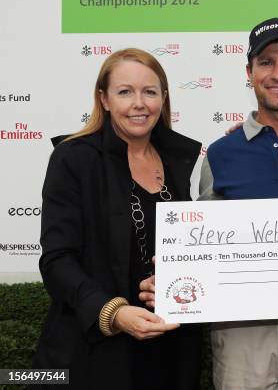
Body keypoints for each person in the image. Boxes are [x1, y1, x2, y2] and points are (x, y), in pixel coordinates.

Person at [141, 18, 278, 390]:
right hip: (241, 332)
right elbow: (201, 244)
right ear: (249, 72)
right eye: (266, 62)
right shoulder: (221, 154)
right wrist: (176, 269)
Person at [31, 48, 203, 390]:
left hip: (168, 349)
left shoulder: (176, 160)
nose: (139, 103)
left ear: (164, 99)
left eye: (149, 92)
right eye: (125, 92)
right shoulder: (74, 158)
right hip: (92, 353)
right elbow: (57, 260)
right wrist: (113, 313)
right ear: (104, 99)